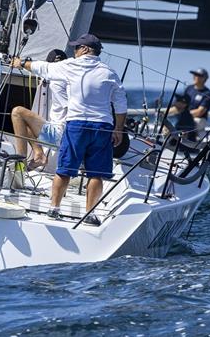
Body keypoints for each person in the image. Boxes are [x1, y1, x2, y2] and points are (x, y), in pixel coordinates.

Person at [13, 34, 126, 226]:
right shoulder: (110, 73)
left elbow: (43, 67)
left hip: (77, 125)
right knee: (96, 174)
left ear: (85, 49)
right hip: (103, 127)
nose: (74, 52)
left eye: (76, 48)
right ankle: (90, 214)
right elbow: (121, 103)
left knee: (64, 170)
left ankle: (54, 208)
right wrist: (119, 129)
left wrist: (21, 63)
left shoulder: (71, 66)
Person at [10, 49, 68, 169]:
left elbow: (40, 69)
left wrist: (19, 63)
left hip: (58, 137)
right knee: (23, 123)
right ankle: (39, 154)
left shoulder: (56, 80)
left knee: (17, 113)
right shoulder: (72, 79)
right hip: (69, 135)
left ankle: (20, 165)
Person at [185, 68, 210, 133]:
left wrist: (184, 115)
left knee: (185, 124)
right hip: (185, 116)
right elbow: (182, 104)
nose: (195, 77)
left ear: (204, 78)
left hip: (199, 119)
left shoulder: (208, 93)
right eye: (194, 75)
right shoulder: (189, 88)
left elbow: (200, 112)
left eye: (198, 75)